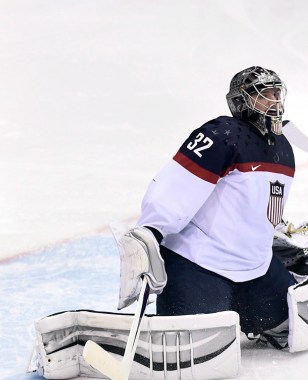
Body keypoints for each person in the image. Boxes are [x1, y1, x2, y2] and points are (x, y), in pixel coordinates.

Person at [116, 66, 298, 346]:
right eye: (264, 95)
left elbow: (260, 203)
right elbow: (179, 184)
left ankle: (252, 312)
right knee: (193, 350)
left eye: (276, 94)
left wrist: (272, 236)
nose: (274, 102)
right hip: (199, 264)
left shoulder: (283, 148)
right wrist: (151, 231)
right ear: (241, 101)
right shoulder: (223, 134)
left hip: (256, 268)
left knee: (298, 328)